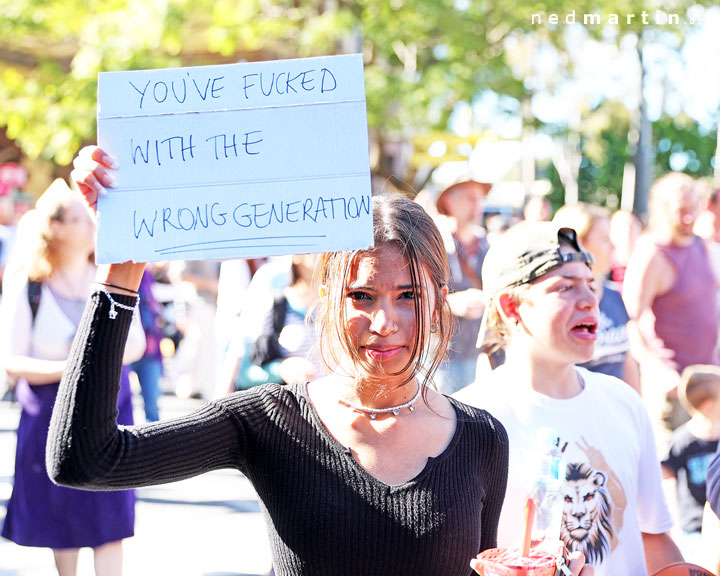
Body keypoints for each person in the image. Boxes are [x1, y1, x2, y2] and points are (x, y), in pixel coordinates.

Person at [43, 145, 588, 576]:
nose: (384, 323)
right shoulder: (269, 421)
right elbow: (85, 459)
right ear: (328, 300)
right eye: (362, 296)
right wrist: (118, 279)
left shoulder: (480, 437)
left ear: (439, 298)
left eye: (408, 297)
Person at [455, 221, 682, 575]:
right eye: (565, 287)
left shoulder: (624, 403)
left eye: (591, 284)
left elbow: (653, 539)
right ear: (511, 307)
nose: (591, 299)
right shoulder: (468, 421)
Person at [0, 179, 144, 576]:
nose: (92, 225)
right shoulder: (28, 284)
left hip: (111, 408)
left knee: (111, 513)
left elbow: (136, 344)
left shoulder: (112, 274)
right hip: (48, 413)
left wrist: (91, 361)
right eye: (81, 218)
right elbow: (11, 360)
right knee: (60, 514)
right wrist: (72, 368)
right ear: (56, 227)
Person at [622, 172, 719, 448]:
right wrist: (658, 369)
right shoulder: (652, 254)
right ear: (664, 211)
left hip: (709, 382)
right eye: (681, 211)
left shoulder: (703, 246)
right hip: (673, 389)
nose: (688, 218)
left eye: (692, 210)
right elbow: (629, 320)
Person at [552, 203, 640, 391]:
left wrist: (638, 409)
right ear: (579, 245)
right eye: (605, 239)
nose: (614, 246)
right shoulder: (559, 303)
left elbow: (627, 362)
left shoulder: (614, 294)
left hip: (617, 411)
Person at [433, 174, 492, 394]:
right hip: (442, 354)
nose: (477, 204)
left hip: (479, 351)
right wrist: (450, 302)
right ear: (449, 200)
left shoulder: (486, 243)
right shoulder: (434, 243)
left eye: (479, 198)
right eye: (470, 197)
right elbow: (412, 294)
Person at [661, 365, 720, 564]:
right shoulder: (682, 440)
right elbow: (666, 479)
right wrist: (674, 524)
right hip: (693, 528)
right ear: (708, 405)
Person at [236, 254, 322, 389]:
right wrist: (281, 369)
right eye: (315, 250)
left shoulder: (345, 306)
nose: (324, 254)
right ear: (297, 256)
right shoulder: (277, 306)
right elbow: (245, 373)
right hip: (293, 404)